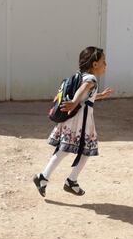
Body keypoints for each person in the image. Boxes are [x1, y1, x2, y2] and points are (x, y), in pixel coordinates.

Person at [33, 47, 114, 197]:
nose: (106, 65)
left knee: (63, 149)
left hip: (72, 120)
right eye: (104, 61)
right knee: (87, 150)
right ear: (95, 64)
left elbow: (86, 95)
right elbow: (83, 90)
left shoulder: (81, 76)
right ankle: (71, 180)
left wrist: (100, 95)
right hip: (81, 122)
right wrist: (75, 101)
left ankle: (43, 177)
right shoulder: (91, 79)